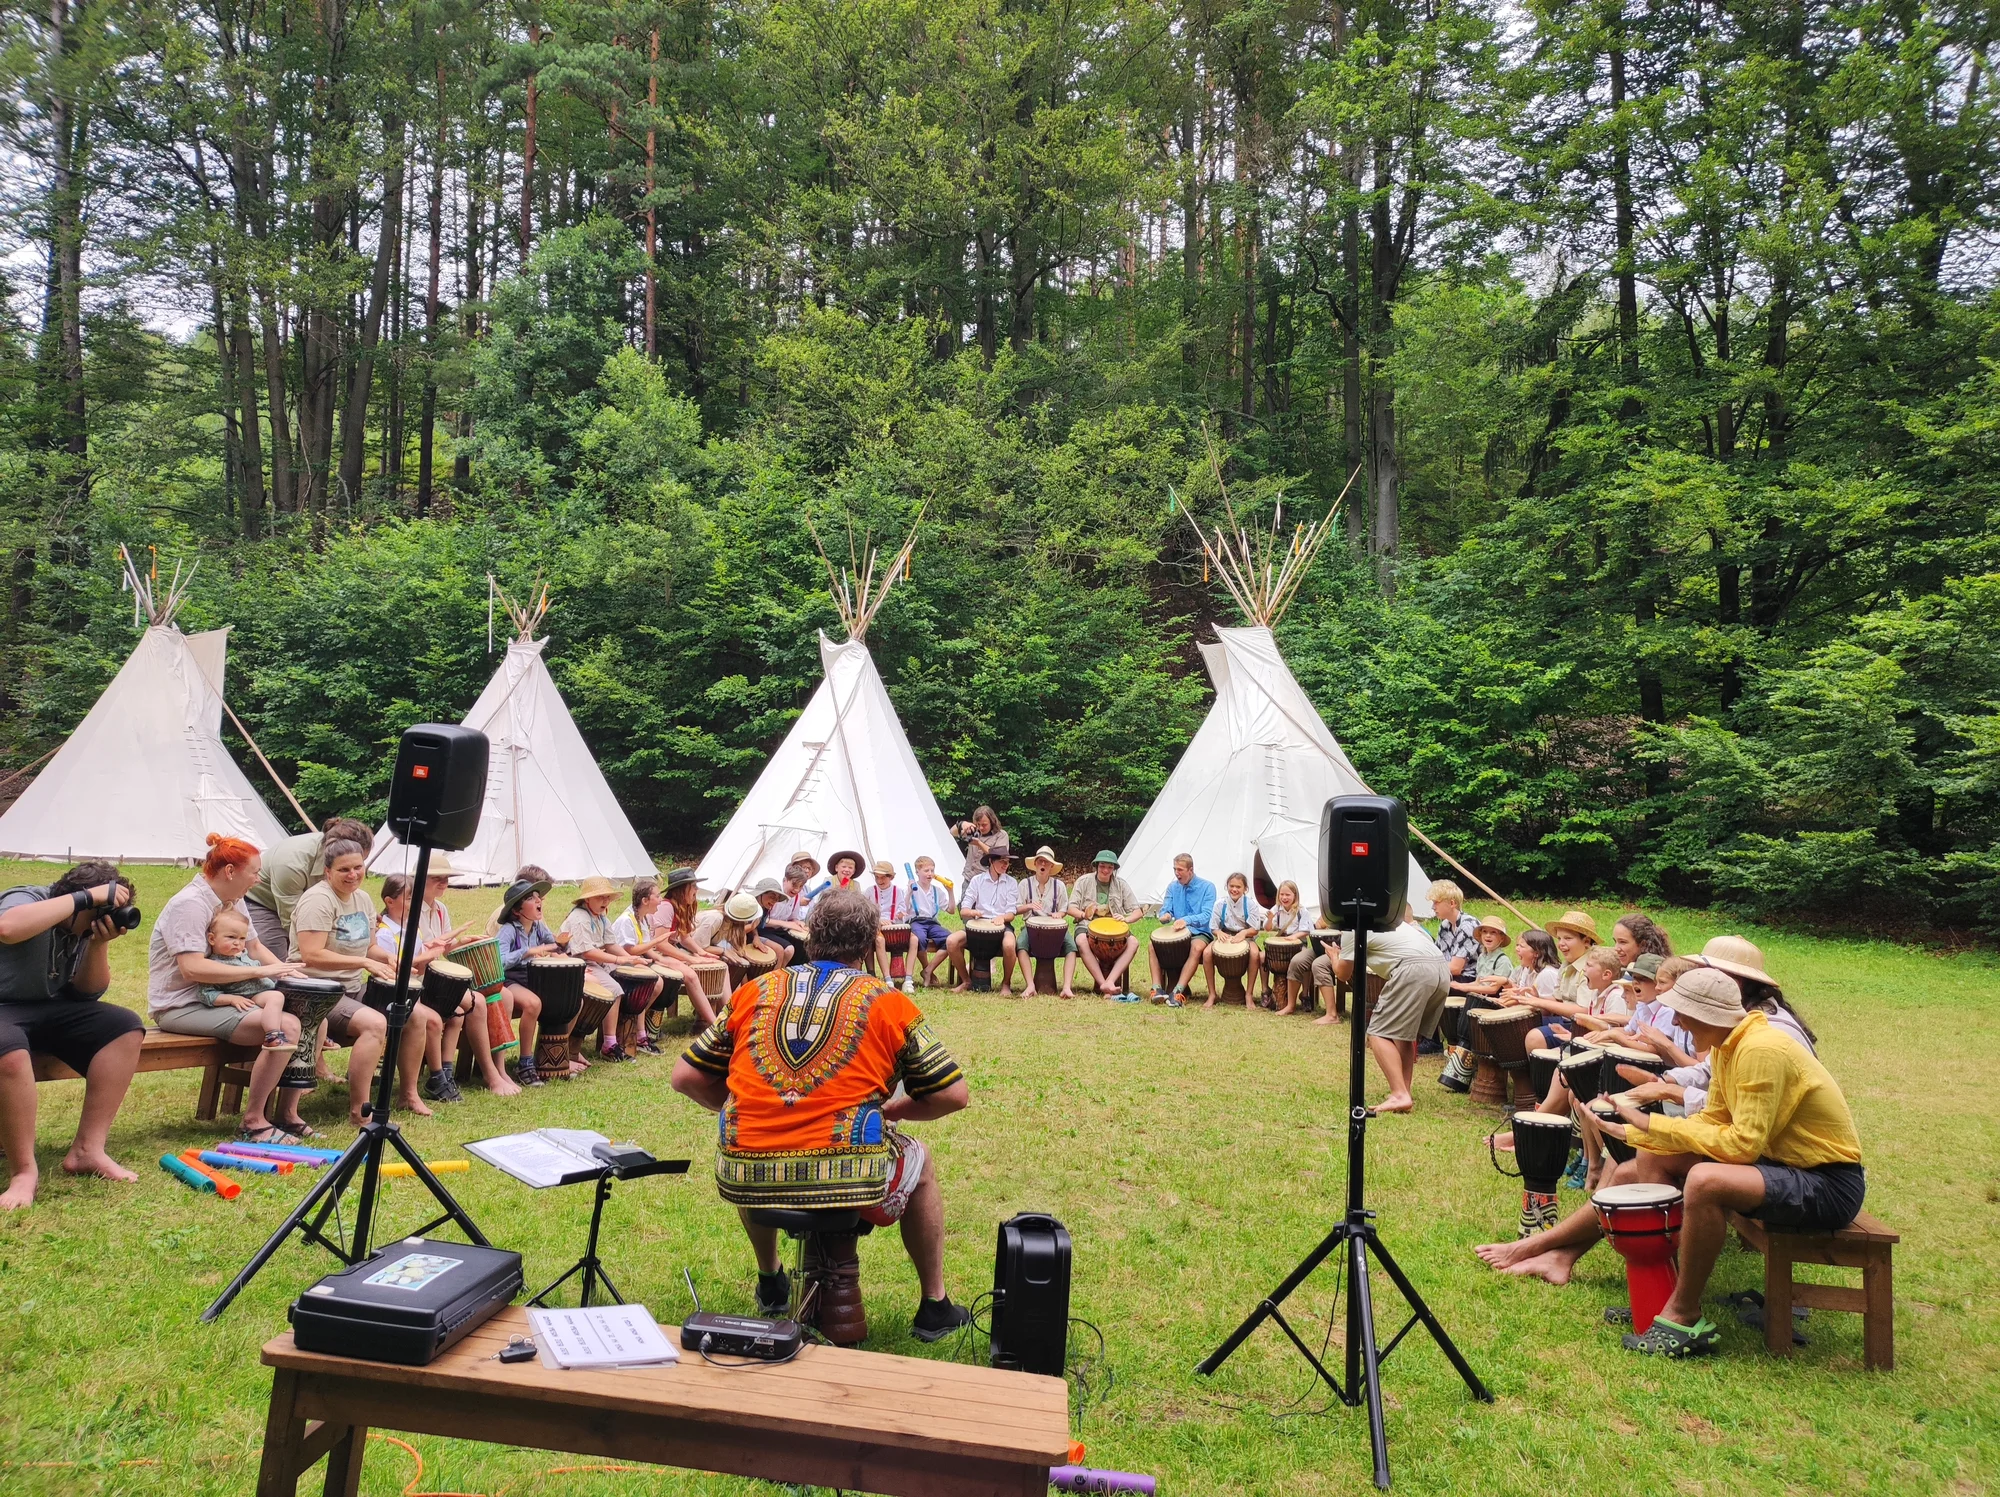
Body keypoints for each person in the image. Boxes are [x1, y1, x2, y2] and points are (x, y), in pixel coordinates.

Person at [1476, 966, 1865, 1358]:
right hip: (1782, 1165)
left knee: (1704, 1181)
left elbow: (1743, 1145)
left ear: (1709, 1013)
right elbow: (1713, 1120)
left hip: (1827, 1183)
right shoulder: (1732, 1045)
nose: (1675, 1020)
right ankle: (1648, 1290)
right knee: (1650, 1158)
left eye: (1682, 1012)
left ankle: (1682, 1314)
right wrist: (1641, 1133)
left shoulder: (1761, 1049)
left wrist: (1651, 1123)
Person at [670, 889, 975, 1341]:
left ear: (810, 935)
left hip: (745, 1171)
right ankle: (935, 1304)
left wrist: (748, 1107)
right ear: (872, 940)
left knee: (752, 1142)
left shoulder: (755, 990)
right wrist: (894, 1110)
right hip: (850, 1173)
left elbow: (685, 1078)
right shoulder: (889, 1002)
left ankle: (771, 1279)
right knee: (921, 1162)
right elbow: (953, 1095)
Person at [149, 836, 314, 1147]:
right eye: (254, 872)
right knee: (289, 1025)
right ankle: (253, 1122)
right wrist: (259, 971)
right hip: (182, 1005)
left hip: (230, 995)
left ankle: (287, 1114)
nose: (259, 879)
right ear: (229, 871)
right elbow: (193, 969)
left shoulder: (233, 902)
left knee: (306, 1010)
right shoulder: (189, 905)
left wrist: (287, 972)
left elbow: (254, 946)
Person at [1, 862, 147, 1207]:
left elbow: (86, 993)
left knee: (123, 1026)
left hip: (41, 1008)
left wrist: (97, 943)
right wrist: (86, 899)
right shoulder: (29, 898)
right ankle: (24, 1172)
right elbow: (6, 928)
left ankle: (87, 1150)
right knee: (8, 1048)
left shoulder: (81, 930)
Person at [291, 838, 400, 1128]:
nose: (353, 874)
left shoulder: (363, 899)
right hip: (315, 989)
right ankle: (359, 1112)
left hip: (349, 987)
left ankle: (409, 1095)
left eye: (358, 867)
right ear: (327, 872)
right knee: (375, 1024)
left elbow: (370, 948)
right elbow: (311, 954)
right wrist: (364, 963)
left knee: (409, 1010)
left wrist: (388, 958)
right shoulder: (318, 900)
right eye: (344, 870)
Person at [1328, 906, 1452, 1113]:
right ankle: (1404, 1091)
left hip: (1414, 969)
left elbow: (1342, 973)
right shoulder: (1391, 919)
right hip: (1440, 969)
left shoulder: (1353, 928)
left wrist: (1334, 957)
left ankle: (1399, 1094)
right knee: (1402, 1035)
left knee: (1378, 1032)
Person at [373, 868, 481, 1105]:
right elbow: (393, 971)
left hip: (414, 988)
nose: (413, 902)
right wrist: (428, 956)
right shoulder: (385, 934)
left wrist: (437, 951)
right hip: (392, 992)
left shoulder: (413, 928)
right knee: (432, 1020)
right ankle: (436, 1078)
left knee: (457, 1012)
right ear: (389, 901)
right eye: (409, 898)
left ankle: (445, 1071)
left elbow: (419, 964)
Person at [241, 817, 375, 958]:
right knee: (273, 952)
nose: (353, 874)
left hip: (305, 899)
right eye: (345, 867)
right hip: (263, 902)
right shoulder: (291, 863)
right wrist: (313, 950)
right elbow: (291, 918)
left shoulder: (334, 851)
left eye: (359, 864)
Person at [561, 876, 655, 1062]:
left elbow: (610, 943)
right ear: (587, 899)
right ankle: (609, 1045)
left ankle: (634, 1035)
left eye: (607, 897)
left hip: (593, 962)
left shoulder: (600, 916)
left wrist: (630, 959)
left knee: (638, 979)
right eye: (600, 897)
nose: (605, 901)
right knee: (615, 990)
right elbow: (587, 952)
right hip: (578, 963)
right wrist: (620, 959)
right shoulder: (580, 918)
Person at [199, 908, 293, 1050]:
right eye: (231, 937)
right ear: (212, 939)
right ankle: (272, 1035)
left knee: (300, 996)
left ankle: (315, 1035)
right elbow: (206, 994)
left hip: (266, 989)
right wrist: (231, 999)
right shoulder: (215, 965)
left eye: (242, 938)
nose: (237, 943)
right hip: (251, 995)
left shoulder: (244, 955)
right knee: (276, 997)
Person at [1439, 915, 1513, 1092]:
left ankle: (1462, 1069)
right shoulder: (1483, 956)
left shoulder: (1502, 960)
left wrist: (1465, 988)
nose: (1488, 936)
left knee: (1469, 1007)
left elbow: (1493, 988)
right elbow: (1480, 983)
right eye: (1485, 932)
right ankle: (1460, 1067)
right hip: (1481, 1000)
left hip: (1496, 1004)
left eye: (1493, 933)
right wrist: (1461, 985)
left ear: (1501, 938)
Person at [494, 878, 556, 1083]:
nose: (538, 900)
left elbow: (552, 944)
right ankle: (525, 1063)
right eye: (531, 898)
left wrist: (558, 950)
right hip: (511, 980)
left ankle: (554, 1056)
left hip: (532, 978)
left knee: (566, 999)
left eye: (538, 896)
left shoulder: (538, 927)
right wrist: (527, 952)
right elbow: (499, 962)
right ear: (517, 911)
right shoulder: (509, 930)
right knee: (533, 1003)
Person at [1523, 945, 1629, 1053]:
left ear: (1606, 974)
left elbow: (1613, 1035)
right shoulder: (1596, 993)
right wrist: (1571, 1035)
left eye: (1588, 965)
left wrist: (1576, 1039)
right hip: (1591, 1045)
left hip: (1604, 1053)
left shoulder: (1615, 996)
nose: (1584, 968)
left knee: (1558, 1064)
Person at [1067, 851, 1140, 999]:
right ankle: (1103, 984)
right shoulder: (1083, 881)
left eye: (1109, 867)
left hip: (1115, 927)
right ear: (1096, 866)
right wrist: (1083, 914)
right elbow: (1070, 908)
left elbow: (1137, 911)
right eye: (1102, 866)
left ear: (1114, 869)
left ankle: (1110, 981)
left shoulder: (1121, 884)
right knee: (1081, 941)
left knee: (1133, 942)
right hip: (1088, 924)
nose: (1106, 870)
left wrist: (1126, 919)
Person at [948, 848, 1022, 993]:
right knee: (952, 941)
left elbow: (1011, 913)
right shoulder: (977, 880)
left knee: (1009, 944)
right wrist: (972, 912)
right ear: (991, 861)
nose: (1005, 864)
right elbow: (964, 909)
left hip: (1003, 925)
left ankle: (1006, 983)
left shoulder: (1011, 882)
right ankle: (966, 981)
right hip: (978, 925)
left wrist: (1002, 917)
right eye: (1002, 861)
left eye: (1007, 862)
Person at [1149, 854, 1216, 1006]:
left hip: (1200, 932)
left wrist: (1186, 920)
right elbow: (1166, 910)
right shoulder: (1173, 887)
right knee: (1153, 946)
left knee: (1196, 947)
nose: (1177, 873)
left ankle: (1178, 991)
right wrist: (1165, 915)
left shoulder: (1207, 887)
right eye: (1174, 869)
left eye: (1180, 870)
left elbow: (1207, 915)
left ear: (1190, 870)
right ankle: (1157, 989)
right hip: (1179, 933)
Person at [1200, 871, 1262, 1010]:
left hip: (1246, 937)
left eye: (1238, 887)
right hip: (1226, 935)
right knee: (1206, 953)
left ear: (1245, 889)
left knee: (1254, 954)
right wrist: (1219, 932)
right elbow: (1213, 928)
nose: (1234, 889)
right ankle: (1212, 994)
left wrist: (1244, 933)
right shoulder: (1220, 903)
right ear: (1227, 886)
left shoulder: (1250, 904)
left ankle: (1249, 994)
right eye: (1231, 886)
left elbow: (1255, 929)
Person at [1016, 848, 1072, 998]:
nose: (1043, 864)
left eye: (1046, 862)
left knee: (1071, 947)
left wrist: (1058, 914)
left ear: (1051, 867)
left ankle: (1066, 987)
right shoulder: (1024, 884)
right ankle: (1030, 985)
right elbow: (1016, 908)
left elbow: (1064, 909)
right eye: (1040, 861)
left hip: (1055, 928)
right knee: (1020, 946)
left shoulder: (1059, 886)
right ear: (1035, 864)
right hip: (1031, 926)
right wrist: (1028, 906)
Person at [1258, 879, 1307, 1012]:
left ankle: (1305, 994)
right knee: (1262, 957)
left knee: (1303, 961)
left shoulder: (1302, 911)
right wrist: (1269, 919)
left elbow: (1307, 930)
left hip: (1298, 944)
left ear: (1295, 896)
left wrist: (1294, 937)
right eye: (1282, 894)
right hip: (1282, 943)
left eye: (1288, 895)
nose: (1284, 897)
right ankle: (1265, 990)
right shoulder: (1276, 909)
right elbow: (1267, 929)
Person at [907, 858, 954, 988]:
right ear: (917, 872)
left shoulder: (936, 891)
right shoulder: (913, 888)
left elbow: (951, 910)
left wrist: (950, 891)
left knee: (951, 940)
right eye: (926, 870)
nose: (930, 873)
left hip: (932, 923)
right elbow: (904, 910)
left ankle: (928, 970)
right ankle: (926, 968)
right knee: (919, 938)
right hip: (916, 921)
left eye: (932, 870)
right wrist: (909, 892)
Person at [864, 860, 909, 985]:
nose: (879, 881)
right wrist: (878, 921)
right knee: (879, 940)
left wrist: (899, 916)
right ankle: (886, 977)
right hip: (874, 926)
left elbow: (902, 911)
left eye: (883, 877)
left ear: (891, 877)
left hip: (892, 926)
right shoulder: (869, 891)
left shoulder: (898, 891)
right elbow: (865, 912)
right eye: (877, 877)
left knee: (913, 939)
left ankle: (903, 976)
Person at [1545, 910, 1600, 1007]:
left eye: (1568, 938)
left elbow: (1584, 1011)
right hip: (1563, 1019)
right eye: (1559, 938)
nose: (1560, 944)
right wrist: (1532, 998)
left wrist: (1538, 1002)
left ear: (1586, 941)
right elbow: (1558, 1000)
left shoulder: (1591, 968)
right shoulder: (1566, 965)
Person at [952, 806, 1008, 888]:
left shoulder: (1001, 835)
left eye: (984, 825)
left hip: (988, 882)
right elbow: (952, 832)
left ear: (992, 822)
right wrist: (962, 824)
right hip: (969, 880)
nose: (981, 827)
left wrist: (979, 843)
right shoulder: (974, 831)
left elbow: (998, 854)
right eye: (978, 824)